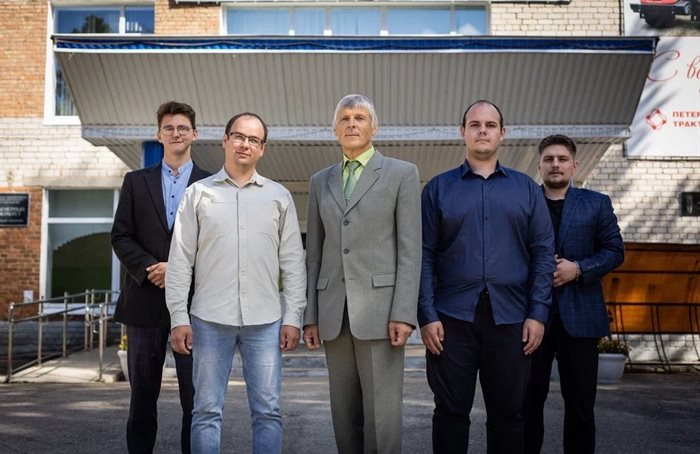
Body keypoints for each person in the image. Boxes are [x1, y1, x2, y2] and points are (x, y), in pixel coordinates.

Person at [418, 100, 556, 454]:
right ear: (462, 132)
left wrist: (538, 313)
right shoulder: (437, 189)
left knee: (508, 416)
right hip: (451, 319)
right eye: (475, 124)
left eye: (490, 125)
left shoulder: (527, 189)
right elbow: (424, 255)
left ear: (502, 133)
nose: (483, 130)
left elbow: (543, 254)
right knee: (450, 414)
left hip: (512, 319)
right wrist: (427, 315)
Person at [165, 112, 306, 454]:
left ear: (262, 149)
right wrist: (178, 317)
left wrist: (293, 317)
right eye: (239, 136)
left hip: (266, 321)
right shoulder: (197, 194)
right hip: (209, 319)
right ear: (225, 140)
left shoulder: (278, 197)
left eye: (254, 140)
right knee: (205, 412)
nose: (245, 144)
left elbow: (293, 262)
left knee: (268, 412)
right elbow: (181, 260)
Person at [303, 93, 421, 454]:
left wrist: (404, 312)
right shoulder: (319, 181)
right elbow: (314, 254)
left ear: (374, 127)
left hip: (381, 313)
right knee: (344, 414)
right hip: (333, 313)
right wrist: (311, 315)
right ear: (334, 129)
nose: (351, 124)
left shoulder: (402, 174)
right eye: (345, 118)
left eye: (359, 118)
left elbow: (410, 250)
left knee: (381, 416)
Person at [111, 101, 210, 454]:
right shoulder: (135, 182)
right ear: (159, 135)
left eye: (183, 128)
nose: (176, 133)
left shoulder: (212, 185)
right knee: (141, 402)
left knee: (195, 402)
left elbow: (217, 245)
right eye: (169, 128)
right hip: (144, 301)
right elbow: (121, 236)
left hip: (195, 307)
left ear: (194, 134)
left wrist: (178, 270)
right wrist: (152, 268)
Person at [524, 134, 624, 454]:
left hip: (581, 317)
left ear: (574, 165)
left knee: (581, 407)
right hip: (531, 318)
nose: (555, 164)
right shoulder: (524, 201)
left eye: (562, 159)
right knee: (527, 404)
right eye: (549, 159)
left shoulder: (596, 203)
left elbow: (615, 251)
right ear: (539, 165)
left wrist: (578, 269)